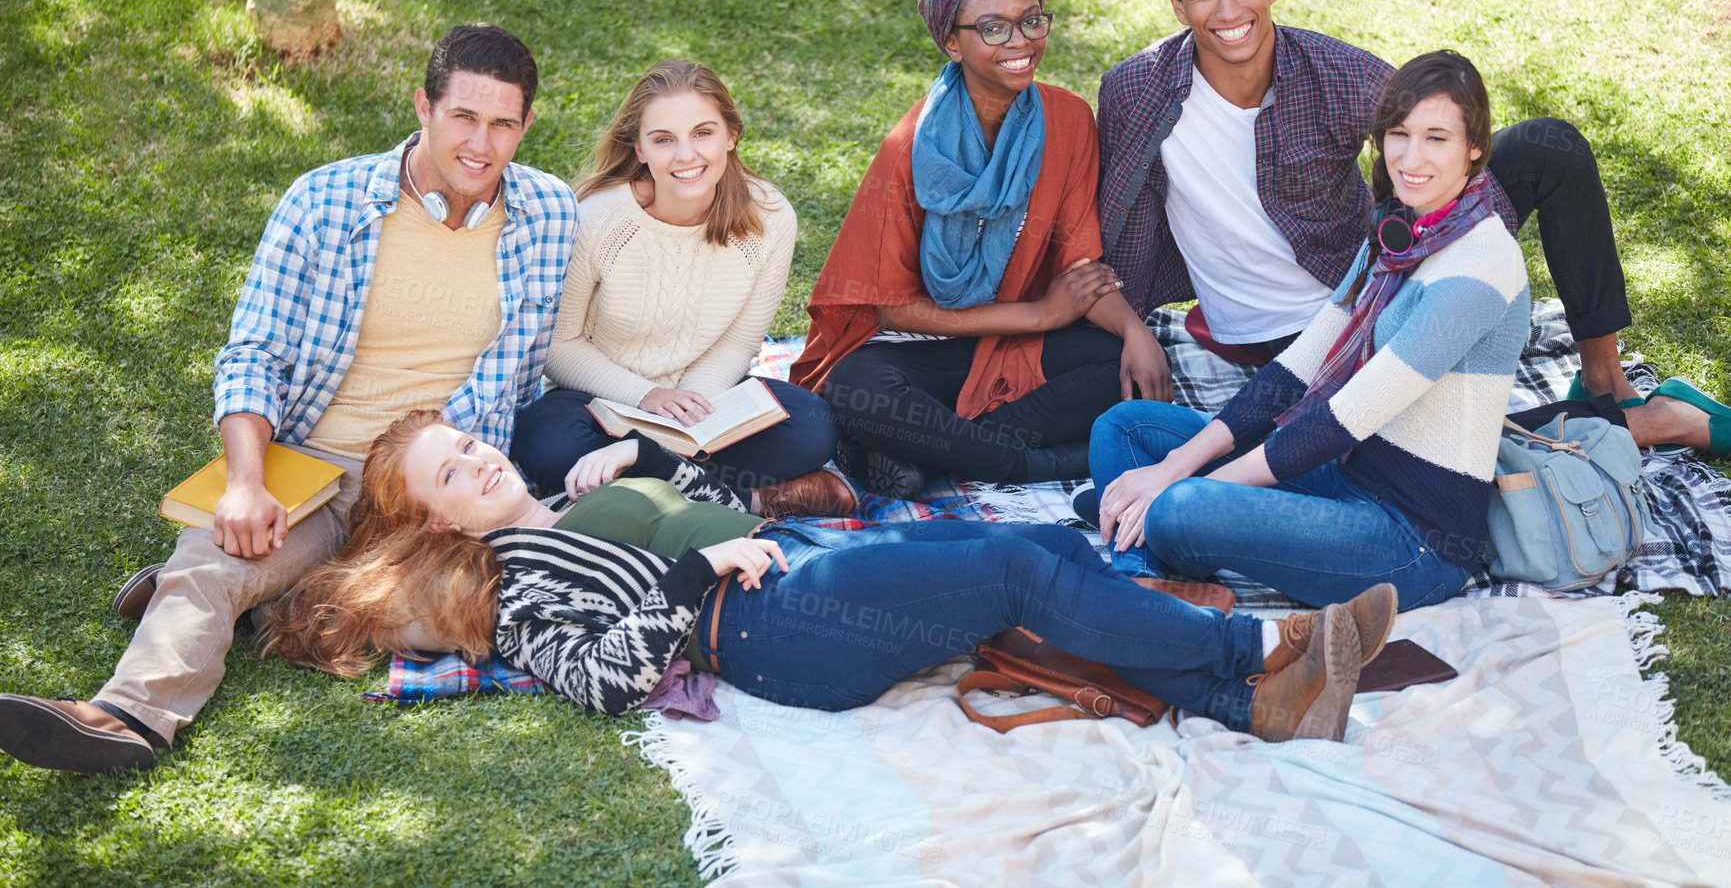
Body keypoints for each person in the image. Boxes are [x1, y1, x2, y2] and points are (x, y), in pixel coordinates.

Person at [0, 24, 581, 774]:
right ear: (423, 107)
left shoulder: (550, 212)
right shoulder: (325, 200)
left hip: (440, 490)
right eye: (463, 117)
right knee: (221, 554)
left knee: (458, 617)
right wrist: (245, 484)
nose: (481, 143)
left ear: (526, 126)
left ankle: (260, 596)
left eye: (503, 123)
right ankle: (127, 715)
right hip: (314, 464)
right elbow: (254, 354)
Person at [263, 410, 1405, 745]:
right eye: (453, 469)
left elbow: (699, 501)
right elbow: (598, 679)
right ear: (436, 519)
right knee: (1014, 561)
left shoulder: (564, 507)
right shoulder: (507, 580)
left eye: (468, 439)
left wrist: (670, 475)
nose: (479, 455)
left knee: (1053, 552)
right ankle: (1258, 649)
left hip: (800, 579)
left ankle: (1244, 703)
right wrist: (690, 570)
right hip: (767, 633)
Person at [1096, 0, 1724, 455]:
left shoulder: (1336, 72)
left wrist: (1436, 258)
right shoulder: (1137, 89)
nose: (1228, 10)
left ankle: (1606, 385)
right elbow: (1103, 215)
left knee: (1546, 146)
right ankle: (1650, 423)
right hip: (1273, 336)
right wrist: (1130, 323)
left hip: (1372, 299)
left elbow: (1439, 144)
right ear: (1178, 7)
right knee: (1352, 446)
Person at [1091, 51, 1529, 612]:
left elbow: (1346, 418)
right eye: (1399, 134)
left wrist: (1183, 488)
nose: (1410, 157)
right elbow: (1297, 368)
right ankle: (1150, 564)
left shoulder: (1481, 266)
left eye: (1436, 138)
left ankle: (1146, 552)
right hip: (1344, 481)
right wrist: (1176, 466)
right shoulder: (1401, 235)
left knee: (1180, 507)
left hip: (1414, 543)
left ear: (1475, 148)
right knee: (1124, 430)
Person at [792, 0, 1169, 497]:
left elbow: (1080, 267)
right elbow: (892, 313)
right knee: (856, 391)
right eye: (992, 28)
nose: (1019, 42)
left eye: (1031, 20)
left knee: (1113, 362)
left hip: (1015, 348)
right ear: (951, 41)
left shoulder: (1066, 121)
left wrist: (1137, 333)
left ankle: (927, 454)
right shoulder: (912, 146)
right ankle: (1030, 463)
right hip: (924, 353)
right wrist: (1040, 316)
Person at [509, 59, 848, 516]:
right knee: (544, 442)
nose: (686, 155)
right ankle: (748, 500)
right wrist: (649, 399)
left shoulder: (770, 218)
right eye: (664, 139)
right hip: (603, 400)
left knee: (813, 425)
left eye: (703, 133)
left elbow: (741, 339)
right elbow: (559, 347)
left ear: (731, 135)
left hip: (702, 399)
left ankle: (643, 493)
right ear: (641, 149)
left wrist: (690, 410)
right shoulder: (599, 220)